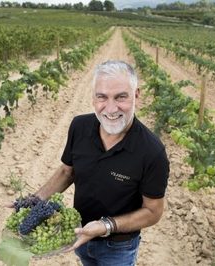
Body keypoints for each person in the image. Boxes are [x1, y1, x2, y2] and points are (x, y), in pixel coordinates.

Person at [34, 60, 170, 265]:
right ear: (93, 97)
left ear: (136, 95)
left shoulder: (152, 152)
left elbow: (153, 211)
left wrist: (106, 226)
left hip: (118, 248)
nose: (111, 108)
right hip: (80, 235)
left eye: (121, 97)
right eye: (102, 97)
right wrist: (33, 202)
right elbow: (66, 172)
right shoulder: (79, 126)